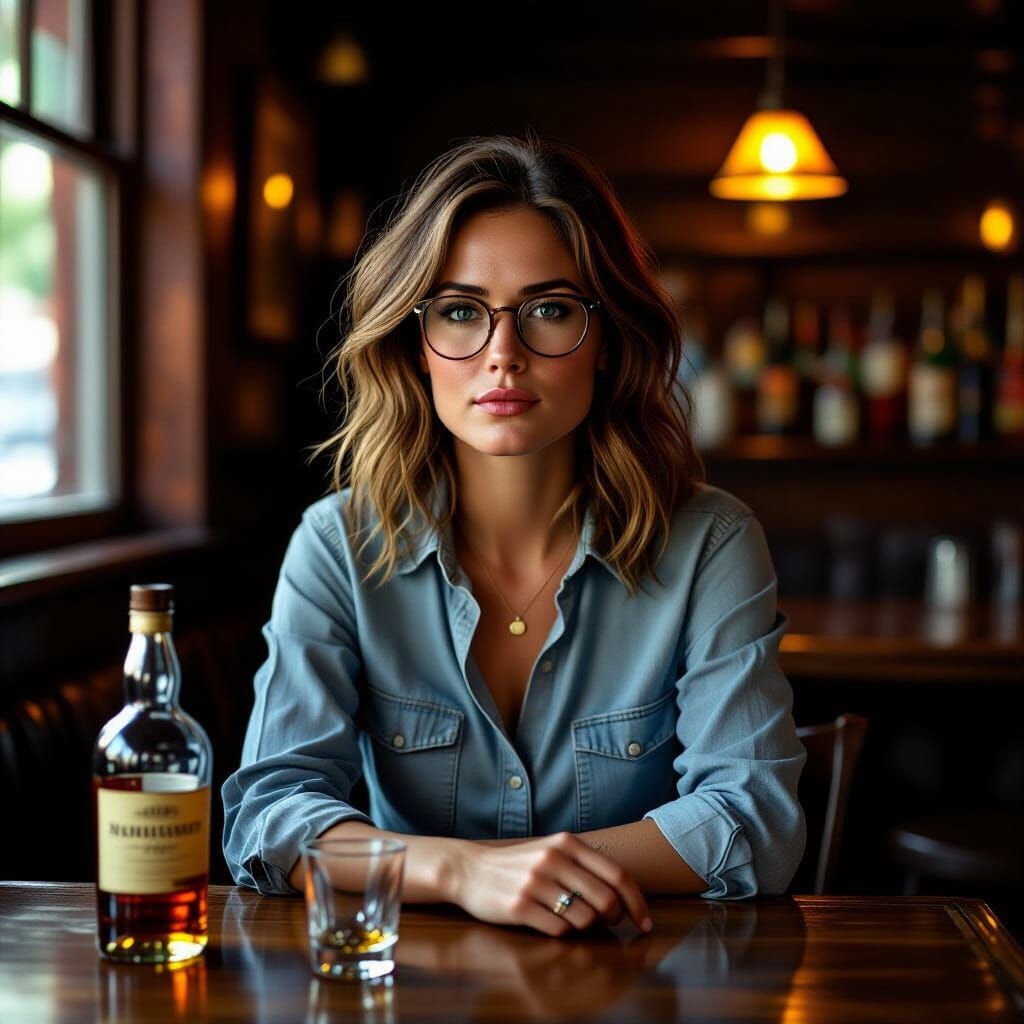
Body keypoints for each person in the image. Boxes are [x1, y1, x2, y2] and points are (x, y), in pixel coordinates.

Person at [221, 131, 806, 937]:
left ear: (607, 341)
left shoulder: (712, 543)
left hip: (639, 974)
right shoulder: (337, 545)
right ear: (415, 345)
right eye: (461, 312)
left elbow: (755, 820)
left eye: (550, 311)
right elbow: (270, 817)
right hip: (412, 979)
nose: (503, 355)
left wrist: (534, 871)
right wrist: (462, 871)